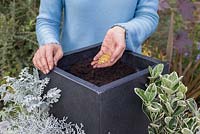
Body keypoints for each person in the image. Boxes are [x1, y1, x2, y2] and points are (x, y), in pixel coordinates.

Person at [33, 0, 159, 74]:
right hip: (72, 71)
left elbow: (148, 16)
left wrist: (123, 31)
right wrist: (48, 41)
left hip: (125, 69)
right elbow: (48, 20)